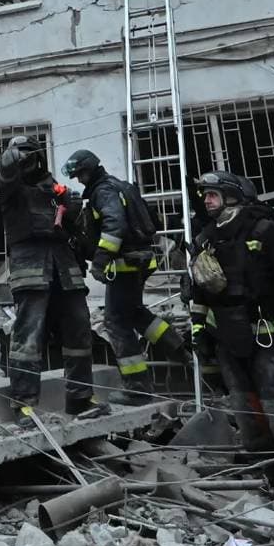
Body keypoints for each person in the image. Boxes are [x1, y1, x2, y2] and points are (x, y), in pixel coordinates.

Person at [186, 171, 274, 490]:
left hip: (268, 334)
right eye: (205, 194)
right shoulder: (206, 239)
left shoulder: (263, 230)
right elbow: (199, 295)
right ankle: (270, 474)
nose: (206, 200)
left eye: (213, 194)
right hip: (228, 340)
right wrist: (199, 333)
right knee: (245, 409)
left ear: (232, 196)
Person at [0, 134, 103, 424]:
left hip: (64, 266)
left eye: (33, 155)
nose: (29, 161)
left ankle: (80, 399)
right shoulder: (11, 189)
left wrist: (67, 202)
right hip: (30, 267)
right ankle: (24, 404)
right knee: (28, 336)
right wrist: (15, 156)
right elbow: (6, 170)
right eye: (25, 156)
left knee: (79, 331)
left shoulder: (53, 187)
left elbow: (75, 217)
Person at [64, 149, 177, 396]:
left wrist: (100, 261)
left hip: (125, 265)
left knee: (115, 324)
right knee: (135, 313)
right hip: (140, 261)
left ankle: (137, 388)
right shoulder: (118, 185)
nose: (79, 180)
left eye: (80, 174)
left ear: (90, 170)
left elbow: (114, 225)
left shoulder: (103, 191)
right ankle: (180, 351)